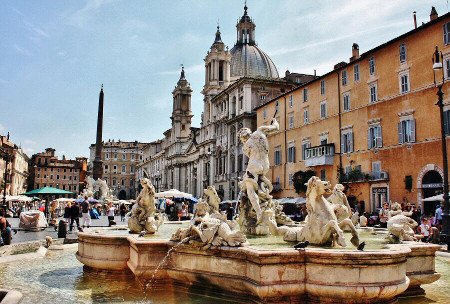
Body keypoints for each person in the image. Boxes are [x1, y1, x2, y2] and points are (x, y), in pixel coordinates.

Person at [238, 117, 279, 224]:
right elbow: (276, 127)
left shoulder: (245, 147)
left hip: (254, 165)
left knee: (250, 189)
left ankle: (258, 212)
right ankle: (264, 195)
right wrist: (274, 120)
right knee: (260, 183)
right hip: (265, 165)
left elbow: (249, 154)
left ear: (242, 139)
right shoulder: (260, 130)